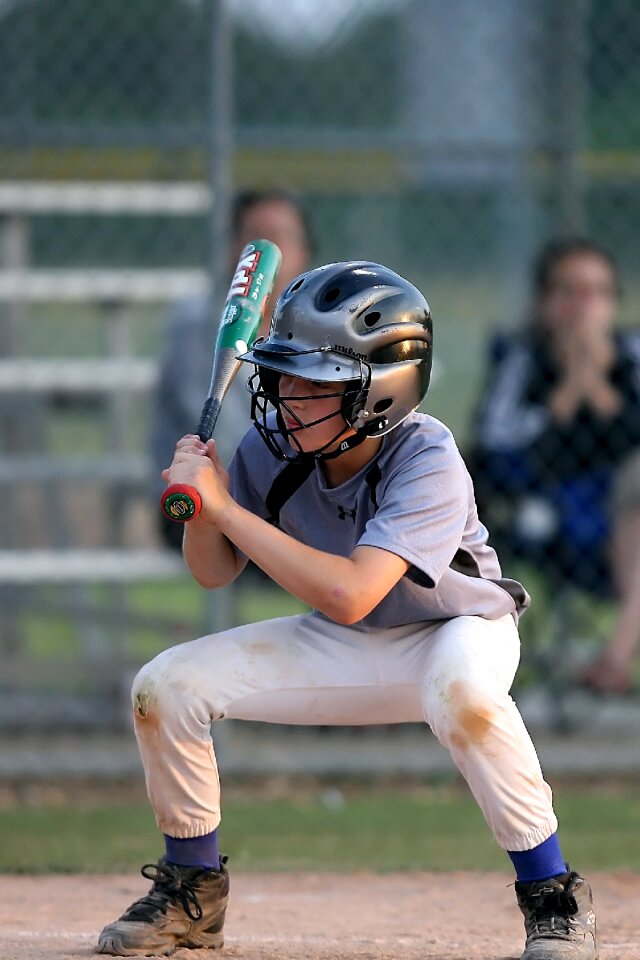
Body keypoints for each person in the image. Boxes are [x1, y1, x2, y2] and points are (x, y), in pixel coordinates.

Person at [98, 262, 598, 960]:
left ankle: (553, 898)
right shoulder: (273, 450)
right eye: (284, 376)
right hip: (350, 640)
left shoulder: (427, 454)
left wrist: (229, 513)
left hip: (458, 631)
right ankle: (193, 890)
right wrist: (203, 505)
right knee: (167, 685)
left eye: (316, 384)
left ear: (380, 393)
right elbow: (212, 573)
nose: (287, 397)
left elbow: (352, 589)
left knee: (465, 697)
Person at [471, 238, 640, 695]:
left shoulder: (632, 357)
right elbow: (493, 444)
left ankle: (616, 656)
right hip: (542, 518)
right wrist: (566, 393)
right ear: (544, 302)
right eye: (569, 291)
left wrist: (601, 389)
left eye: (597, 292)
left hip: (621, 518)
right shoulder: (523, 359)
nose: (583, 306)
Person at [151, 188, 312, 550]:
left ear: (304, 252)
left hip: (283, 493)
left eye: (283, 237)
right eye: (258, 235)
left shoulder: (312, 327)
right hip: (194, 496)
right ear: (234, 250)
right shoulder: (199, 322)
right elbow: (223, 435)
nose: (273, 251)